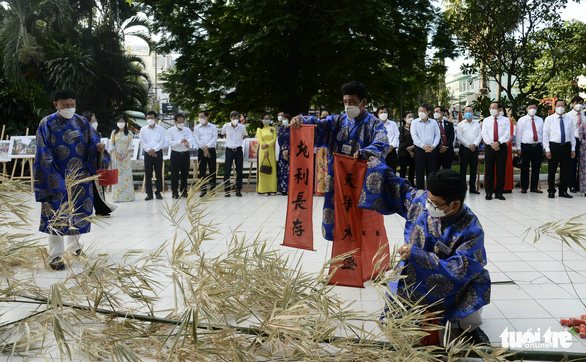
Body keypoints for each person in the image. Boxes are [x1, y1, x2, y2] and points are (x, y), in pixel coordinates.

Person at [362, 165, 490, 345]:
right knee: (400, 279)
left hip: (448, 278)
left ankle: (469, 327)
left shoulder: (471, 228)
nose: (428, 205)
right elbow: (397, 188)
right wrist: (372, 164)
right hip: (414, 267)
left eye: (435, 203)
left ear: (454, 204)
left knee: (477, 281)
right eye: (428, 199)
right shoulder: (423, 201)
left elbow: (462, 267)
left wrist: (418, 255)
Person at [290, 81, 389, 241]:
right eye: (345, 102)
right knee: (339, 225)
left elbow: (382, 143)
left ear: (363, 102)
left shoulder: (374, 123)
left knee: (362, 226)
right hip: (337, 180)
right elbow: (318, 125)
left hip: (361, 182)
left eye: (352, 102)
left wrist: (365, 152)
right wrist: (301, 120)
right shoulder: (337, 121)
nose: (348, 106)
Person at [33, 89, 106, 270]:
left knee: (79, 213)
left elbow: (93, 143)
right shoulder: (46, 123)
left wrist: (98, 149)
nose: (69, 108)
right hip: (56, 177)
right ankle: (55, 256)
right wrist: (54, 177)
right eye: (65, 105)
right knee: (56, 216)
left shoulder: (81, 122)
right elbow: (43, 151)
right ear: (56, 105)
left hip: (80, 178)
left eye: (72, 104)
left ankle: (75, 247)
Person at [83, 111, 116, 216]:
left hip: (96, 164)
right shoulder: (84, 133)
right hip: (87, 166)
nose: (95, 122)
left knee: (98, 188)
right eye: (93, 120)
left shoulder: (96, 133)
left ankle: (101, 209)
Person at [543, 99, 576, 198]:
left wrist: (573, 148)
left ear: (565, 107)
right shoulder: (549, 119)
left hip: (566, 146)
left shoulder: (569, 119)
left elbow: (571, 134)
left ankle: (563, 191)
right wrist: (547, 149)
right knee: (552, 170)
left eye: (562, 106)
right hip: (554, 146)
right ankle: (551, 191)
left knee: (565, 170)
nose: (560, 108)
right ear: (555, 107)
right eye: (558, 106)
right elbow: (545, 135)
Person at [481, 102, 510, 200]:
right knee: (489, 170)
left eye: (494, 108)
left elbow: (507, 134)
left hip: (501, 147)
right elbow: (484, 134)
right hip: (490, 147)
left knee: (501, 170)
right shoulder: (486, 120)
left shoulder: (506, 120)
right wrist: (492, 143)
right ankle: (489, 192)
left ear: (499, 110)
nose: (492, 109)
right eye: (490, 107)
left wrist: (499, 142)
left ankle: (499, 192)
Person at [515, 101, 544, 194]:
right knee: (525, 168)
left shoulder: (540, 120)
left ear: (537, 109)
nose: (532, 110)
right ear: (526, 109)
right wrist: (519, 148)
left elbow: (543, 134)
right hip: (526, 146)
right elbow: (519, 134)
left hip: (537, 146)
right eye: (530, 108)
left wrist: (543, 147)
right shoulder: (522, 120)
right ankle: (524, 187)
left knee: (536, 167)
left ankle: (534, 187)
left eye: (534, 108)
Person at [411, 103, 440, 189]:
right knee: (419, 173)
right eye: (419, 111)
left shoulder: (434, 122)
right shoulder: (415, 122)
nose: (420, 113)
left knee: (431, 173)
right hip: (419, 150)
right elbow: (414, 136)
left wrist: (433, 146)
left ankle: (430, 192)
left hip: (431, 150)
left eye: (423, 111)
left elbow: (437, 135)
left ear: (428, 112)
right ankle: (419, 192)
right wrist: (423, 146)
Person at [166, 113, 195, 199]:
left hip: (185, 154)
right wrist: (180, 141)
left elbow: (191, 138)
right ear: (175, 122)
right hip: (175, 154)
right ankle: (174, 192)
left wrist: (187, 143)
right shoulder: (170, 130)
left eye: (182, 122)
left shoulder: (187, 130)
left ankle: (184, 191)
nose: (181, 123)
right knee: (174, 174)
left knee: (184, 174)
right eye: (179, 122)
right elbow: (169, 142)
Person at [140, 111, 165, 200]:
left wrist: (154, 150)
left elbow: (162, 142)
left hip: (157, 153)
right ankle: (149, 193)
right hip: (147, 153)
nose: (150, 120)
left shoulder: (161, 129)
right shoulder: (143, 129)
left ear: (155, 119)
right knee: (148, 173)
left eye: (152, 118)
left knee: (158, 173)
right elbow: (142, 141)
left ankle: (158, 192)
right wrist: (149, 151)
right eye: (148, 118)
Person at [222, 111, 248, 197]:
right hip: (229, 149)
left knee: (239, 170)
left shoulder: (241, 127)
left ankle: (238, 189)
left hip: (238, 149)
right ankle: (227, 190)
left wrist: (238, 141)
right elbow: (224, 134)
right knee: (227, 170)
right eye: (233, 118)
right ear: (230, 119)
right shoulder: (226, 126)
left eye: (237, 118)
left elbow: (245, 135)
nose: (235, 120)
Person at [457, 106, 482, 194]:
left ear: (473, 113)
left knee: (473, 169)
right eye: (466, 111)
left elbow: (480, 135)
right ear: (464, 113)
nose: (468, 113)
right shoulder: (460, 124)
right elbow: (459, 137)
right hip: (464, 149)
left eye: (470, 111)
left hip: (474, 149)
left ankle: (472, 188)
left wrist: (474, 144)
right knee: (463, 169)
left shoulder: (477, 124)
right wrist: (468, 145)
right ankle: (463, 188)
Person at [110, 115, 135, 202]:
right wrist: (116, 154)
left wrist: (124, 155)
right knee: (117, 176)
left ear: (125, 122)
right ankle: (117, 196)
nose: (121, 123)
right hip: (116, 157)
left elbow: (130, 145)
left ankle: (128, 196)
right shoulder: (114, 133)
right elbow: (112, 144)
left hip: (126, 157)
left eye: (122, 121)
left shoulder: (129, 133)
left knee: (126, 175)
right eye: (119, 121)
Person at [193, 110, 218, 197]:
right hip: (201, 150)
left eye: (202, 116)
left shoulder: (213, 127)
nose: (200, 118)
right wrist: (203, 148)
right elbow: (196, 139)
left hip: (211, 149)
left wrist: (207, 147)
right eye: (199, 117)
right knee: (202, 170)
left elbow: (214, 137)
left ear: (207, 117)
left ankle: (212, 189)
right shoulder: (196, 128)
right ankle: (203, 189)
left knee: (212, 170)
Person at [256, 112, 277, 195]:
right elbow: (260, 139)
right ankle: (263, 189)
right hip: (262, 150)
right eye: (265, 118)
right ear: (261, 120)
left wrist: (268, 145)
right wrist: (265, 149)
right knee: (263, 168)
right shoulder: (259, 129)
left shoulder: (273, 129)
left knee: (271, 167)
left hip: (271, 149)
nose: (267, 120)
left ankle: (272, 189)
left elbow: (274, 138)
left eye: (268, 118)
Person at [567, 96, 584, 193]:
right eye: (577, 103)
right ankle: (571, 184)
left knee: (582, 164)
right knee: (572, 163)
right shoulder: (568, 115)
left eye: (581, 103)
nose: (579, 105)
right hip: (573, 140)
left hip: (583, 141)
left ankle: (580, 184)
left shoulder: (584, 115)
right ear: (572, 104)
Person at [378, 106, 399, 171]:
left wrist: (392, 145)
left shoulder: (393, 124)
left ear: (387, 113)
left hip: (391, 151)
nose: (383, 114)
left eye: (385, 112)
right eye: (381, 112)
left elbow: (397, 135)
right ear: (378, 114)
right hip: (379, 152)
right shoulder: (375, 125)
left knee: (392, 172)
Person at [434, 106, 455, 170]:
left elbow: (452, 136)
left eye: (437, 111)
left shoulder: (449, 124)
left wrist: (445, 146)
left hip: (447, 150)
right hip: (437, 150)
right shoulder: (432, 124)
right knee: (435, 171)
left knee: (447, 171)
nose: (435, 113)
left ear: (442, 113)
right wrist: (440, 146)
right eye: (434, 112)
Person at [398, 111, 415, 185]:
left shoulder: (415, 128)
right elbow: (401, 140)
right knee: (403, 170)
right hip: (404, 152)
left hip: (414, 151)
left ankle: (411, 185)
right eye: (409, 117)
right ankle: (402, 185)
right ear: (404, 119)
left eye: (412, 117)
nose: (411, 118)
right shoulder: (401, 129)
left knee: (412, 170)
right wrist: (409, 150)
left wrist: (413, 147)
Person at [277, 113, 292, 195]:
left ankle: (291, 188)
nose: (284, 121)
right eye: (283, 119)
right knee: (283, 170)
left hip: (292, 151)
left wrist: (289, 151)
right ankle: (283, 189)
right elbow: (280, 142)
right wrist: (284, 151)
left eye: (286, 119)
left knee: (291, 170)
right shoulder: (280, 130)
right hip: (283, 152)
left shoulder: (293, 129)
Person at [578, 116, 586, 196]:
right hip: (584, 150)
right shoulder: (583, 126)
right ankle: (584, 189)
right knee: (584, 170)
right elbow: (580, 138)